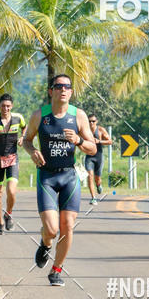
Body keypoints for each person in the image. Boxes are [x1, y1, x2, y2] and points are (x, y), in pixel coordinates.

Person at [22, 74, 96, 286]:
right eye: (58, 86)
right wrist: (33, 151)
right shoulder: (40, 115)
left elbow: (93, 147)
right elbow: (26, 141)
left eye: (67, 87)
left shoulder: (78, 116)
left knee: (67, 226)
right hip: (47, 176)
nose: (63, 90)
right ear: (51, 91)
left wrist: (79, 140)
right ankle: (45, 244)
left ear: (71, 92)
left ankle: (56, 270)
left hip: (69, 176)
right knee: (52, 230)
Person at [0, 94, 26, 234]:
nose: (5, 108)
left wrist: (22, 138)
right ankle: (0, 222)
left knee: (12, 191)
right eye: (3, 106)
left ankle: (8, 214)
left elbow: (25, 128)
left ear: (12, 106)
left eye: (8, 106)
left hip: (12, 158)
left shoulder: (18, 118)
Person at [86, 114, 112, 204]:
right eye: (89, 121)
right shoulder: (84, 130)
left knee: (97, 178)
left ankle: (98, 185)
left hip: (99, 156)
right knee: (90, 176)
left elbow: (110, 141)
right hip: (89, 156)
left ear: (96, 121)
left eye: (93, 121)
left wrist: (99, 141)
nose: (91, 123)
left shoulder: (100, 130)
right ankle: (93, 198)